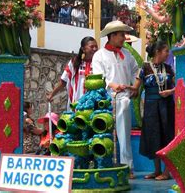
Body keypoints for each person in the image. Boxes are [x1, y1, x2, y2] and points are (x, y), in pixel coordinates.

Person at [92, 20, 139, 179]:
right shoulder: (99, 55)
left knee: (124, 135)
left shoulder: (127, 54)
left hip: (124, 98)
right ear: (112, 36)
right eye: (120, 35)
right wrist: (111, 84)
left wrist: (135, 86)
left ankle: (128, 167)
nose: (124, 38)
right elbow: (98, 77)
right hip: (106, 100)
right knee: (104, 135)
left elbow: (136, 71)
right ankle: (104, 165)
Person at [132, 41, 175, 181]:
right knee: (153, 136)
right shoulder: (144, 68)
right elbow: (136, 87)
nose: (168, 54)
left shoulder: (169, 69)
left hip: (166, 106)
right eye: (166, 51)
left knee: (167, 136)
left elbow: (179, 86)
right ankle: (157, 170)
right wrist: (127, 89)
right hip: (151, 107)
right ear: (157, 52)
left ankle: (167, 171)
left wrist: (170, 92)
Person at [47, 37, 99, 110]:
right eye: (91, 47)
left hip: (93, 105)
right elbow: (63, 81)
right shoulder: (74, 63)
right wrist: (52, 94)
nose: (95, 49)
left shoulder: (98, 64)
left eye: (96, 46)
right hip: (75, 105)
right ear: (83, 49)